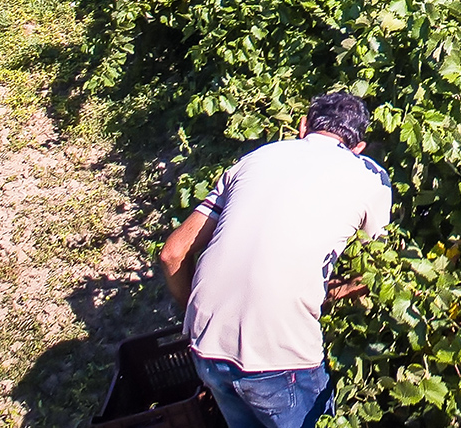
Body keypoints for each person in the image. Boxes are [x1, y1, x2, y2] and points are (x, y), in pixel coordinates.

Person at [159, 93, 393, 428]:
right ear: (359, 147)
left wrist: (197, 314)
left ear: (302, 127)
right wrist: (333, 293)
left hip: (205, 346)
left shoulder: (254, 159)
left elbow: (173, 252)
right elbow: (379, 272)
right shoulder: (370, 178)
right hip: (281, 359)